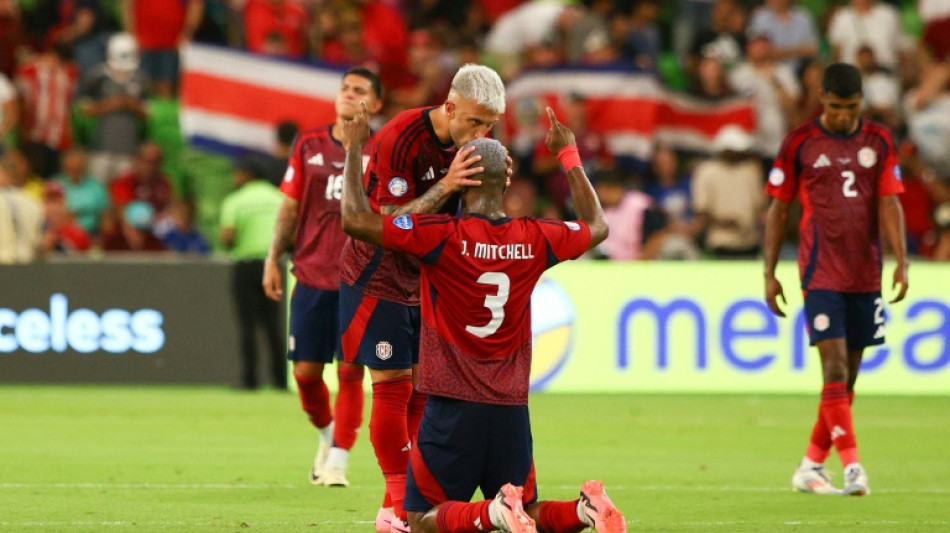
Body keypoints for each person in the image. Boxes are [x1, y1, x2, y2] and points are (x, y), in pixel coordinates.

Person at [341, 102, 624, 533]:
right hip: (510, 406)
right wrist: (568, 155)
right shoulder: (535, 237)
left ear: (461, 176)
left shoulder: (440, 236)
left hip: (453, 404)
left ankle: (492, 513)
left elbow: (356, 221)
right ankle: (585, 510)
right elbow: (597, 225)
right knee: (526, 508)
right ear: (507, 180)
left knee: (419, 519)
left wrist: (354, 148)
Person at [337, 63, 506, 533]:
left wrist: (493, 185)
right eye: (474, 122)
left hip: (426, 283)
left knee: (422, 393)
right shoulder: (402, 137)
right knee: (391, 386)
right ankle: (396, 508)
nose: (482, 132)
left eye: (489, 125)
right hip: (378, 277)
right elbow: (390, 223)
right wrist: (448, 185)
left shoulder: (476, 145)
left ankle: (411, 500)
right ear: (449, 107)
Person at [763, 63, 908, 496]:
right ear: (822, 100)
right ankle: (853, 467)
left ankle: (810, 464)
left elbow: (889, 202)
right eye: (836, 106)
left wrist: (902, 260)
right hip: (819, 271)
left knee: (847, 382)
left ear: (860, 102)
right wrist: (769, 273)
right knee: (835, 367)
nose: (844, 115)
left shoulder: (878, 140)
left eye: (852, 107)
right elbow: (778, 209)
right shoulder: (800, 142)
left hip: (866, 273)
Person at [262, 67, 383, 489]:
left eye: (360, 91)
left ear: (376, 104)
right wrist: (272, 258)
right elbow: (290, 208)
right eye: (345, 88)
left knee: (351, 373)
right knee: (306, 375)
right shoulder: (309, 144)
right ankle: (329, 438)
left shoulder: (381, 150)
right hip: (311, 275)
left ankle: (339, 462)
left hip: (360, 279)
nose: (349, 95)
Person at [220, 155, 284, 389]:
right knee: (273, 325)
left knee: (247, 326)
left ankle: (250, 381)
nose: (235, 177)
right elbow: (292, 230)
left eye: (238, 173)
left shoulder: (236, 200)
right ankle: (280, 380)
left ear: (247, 175)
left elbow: (228, 236)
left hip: (246, 266)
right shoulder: (279, 198)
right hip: (273, 265)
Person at [77, 32, 149, 184]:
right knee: (100, 193)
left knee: (124, 193)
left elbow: (148, 113)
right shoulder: (96, 76)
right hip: (100, 148)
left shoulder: (141, 78)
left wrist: (130, 104)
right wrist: (111, 104)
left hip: (129, 149)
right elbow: (84, 110)